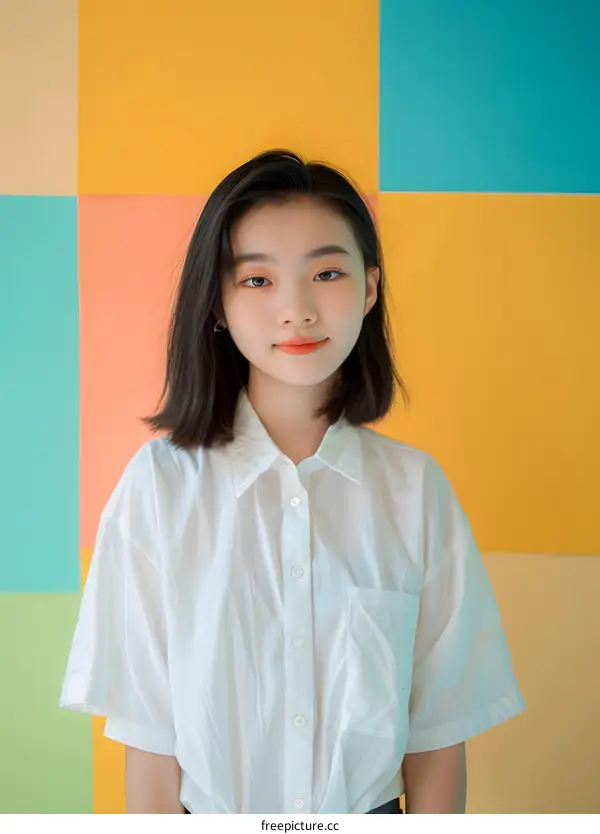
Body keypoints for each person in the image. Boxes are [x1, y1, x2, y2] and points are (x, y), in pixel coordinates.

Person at [60, 150, 525, 814]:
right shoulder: (158, 489)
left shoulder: (415, 491)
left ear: (368, 288)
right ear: (216, 303)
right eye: (257, 281)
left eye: (326, 273)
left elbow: (437, 740)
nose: (297, 310)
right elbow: (151, 743)